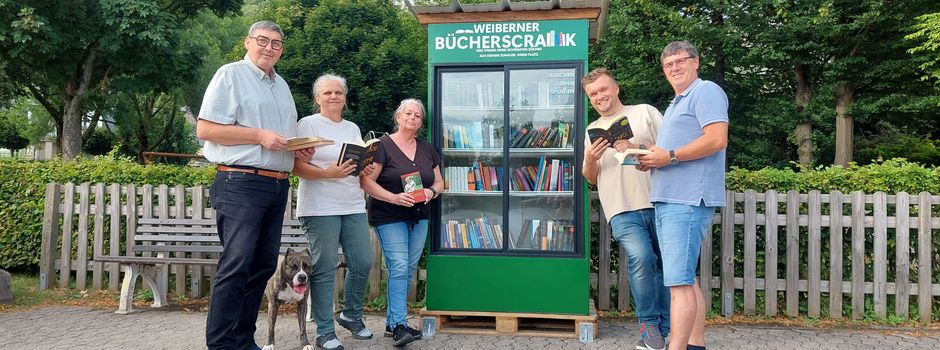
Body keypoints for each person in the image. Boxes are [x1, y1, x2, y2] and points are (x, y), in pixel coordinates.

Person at [197, 21, 314, 350]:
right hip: (240, 182)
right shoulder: (230, 75)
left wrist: (297, 148)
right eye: (262, 40)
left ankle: (243, 339)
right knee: (237, 264)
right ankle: (221, 344)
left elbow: (280, 139)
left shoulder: (282, 86)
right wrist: (259, 135)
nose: (269, 47)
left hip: (276, 185)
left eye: (276, 43)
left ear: (282, 50)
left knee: (262, 266)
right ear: (247, 42)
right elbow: (206, 129)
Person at [637, 41, 729, 350]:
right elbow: (670, 154)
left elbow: (717, 139)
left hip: (687, 200)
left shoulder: (705, 91)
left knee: (678, 284)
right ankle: (695, 345)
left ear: (696, 61)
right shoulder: (678, 102)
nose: (674, 67)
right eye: (668, 64)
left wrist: (670, 156)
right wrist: (652, 159)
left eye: (680, 60)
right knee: (687, 280)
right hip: (671, 198)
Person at [581, 68, 670, 350]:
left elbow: (672, 150)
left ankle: (667, 328)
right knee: (642, 257)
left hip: (659, 201)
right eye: (593, 94)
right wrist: (590, 158)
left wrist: (636, 146)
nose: (599, 97)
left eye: (603, 89)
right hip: (620, 208)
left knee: (667, 267)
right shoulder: (592, 130)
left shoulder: (645, 112)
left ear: (616, 88)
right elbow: (590, 178)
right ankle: (649, 324)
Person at [292, 74, 375, 350]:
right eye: (327, 92)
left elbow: (355, 164)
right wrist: (327, 173)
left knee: (362, 262)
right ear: (317, 98)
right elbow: (296, 166)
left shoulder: (352, 127)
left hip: (352, 203)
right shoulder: (307, 124)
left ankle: (350, 315)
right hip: (320, 207)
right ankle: (324, 331)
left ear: (345, 98)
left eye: (338, 92)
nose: (333, 96)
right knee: (325, 267)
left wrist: (365, 166)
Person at [360, 99, 444, 347]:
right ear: (398, 117)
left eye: (417, 115)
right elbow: (366, 182)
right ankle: (399, 325)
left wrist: (431, 192)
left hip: (419, 216)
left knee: (407, 269)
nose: (412, 118)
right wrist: (394, 198)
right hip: (389, 215)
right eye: (408, 113)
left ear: (421, 122)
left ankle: (392, 323)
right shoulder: (381, 146)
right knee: (398, 267)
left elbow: (439, 182)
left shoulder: (427, 149)